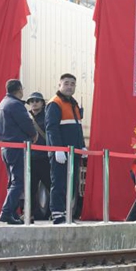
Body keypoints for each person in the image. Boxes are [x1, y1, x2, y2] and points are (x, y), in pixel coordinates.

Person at [46, 73, 86, 225]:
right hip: (60, 153)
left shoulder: (73, 104)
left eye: (72, 84)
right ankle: (57, 215)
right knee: (59, 182)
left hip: (73, 152)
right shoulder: (55, 103)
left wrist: (82, 144)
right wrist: (57, 149)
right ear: (59, 85)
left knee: (71, 183)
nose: (69, 86)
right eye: (66, 83)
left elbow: (78, 127)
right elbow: (51, 128)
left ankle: (66, 213)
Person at [0, 79, 37, 225]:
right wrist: (34, 135)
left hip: (6, 148)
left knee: (12, 181)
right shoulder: (16, 105)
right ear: (19, 89)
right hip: (17, 147)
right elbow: (27, 124)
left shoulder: (3, 103)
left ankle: (12, 212)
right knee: (18, 181)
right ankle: (6, 212)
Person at [26, 92, 51, 221]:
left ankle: (57, 212)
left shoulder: (47, 116)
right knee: (30, 189)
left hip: (44, 157)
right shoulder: (26, 117)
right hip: (30, 158)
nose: (34, 103)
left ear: (42, 103)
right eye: (31, 101)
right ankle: (29, 214)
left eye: (37, 100)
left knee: (51, 186)